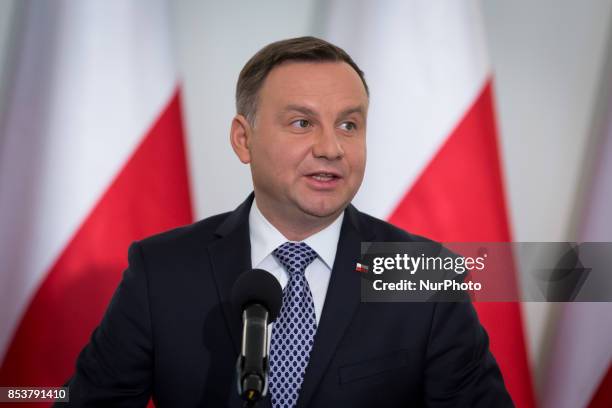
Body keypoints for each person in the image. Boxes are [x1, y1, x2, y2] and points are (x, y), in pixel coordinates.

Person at [61, 36, 513, 407]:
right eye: (302, 123)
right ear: (244, 140)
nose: (331, 148)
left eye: (349, 125)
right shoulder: (161, 270)